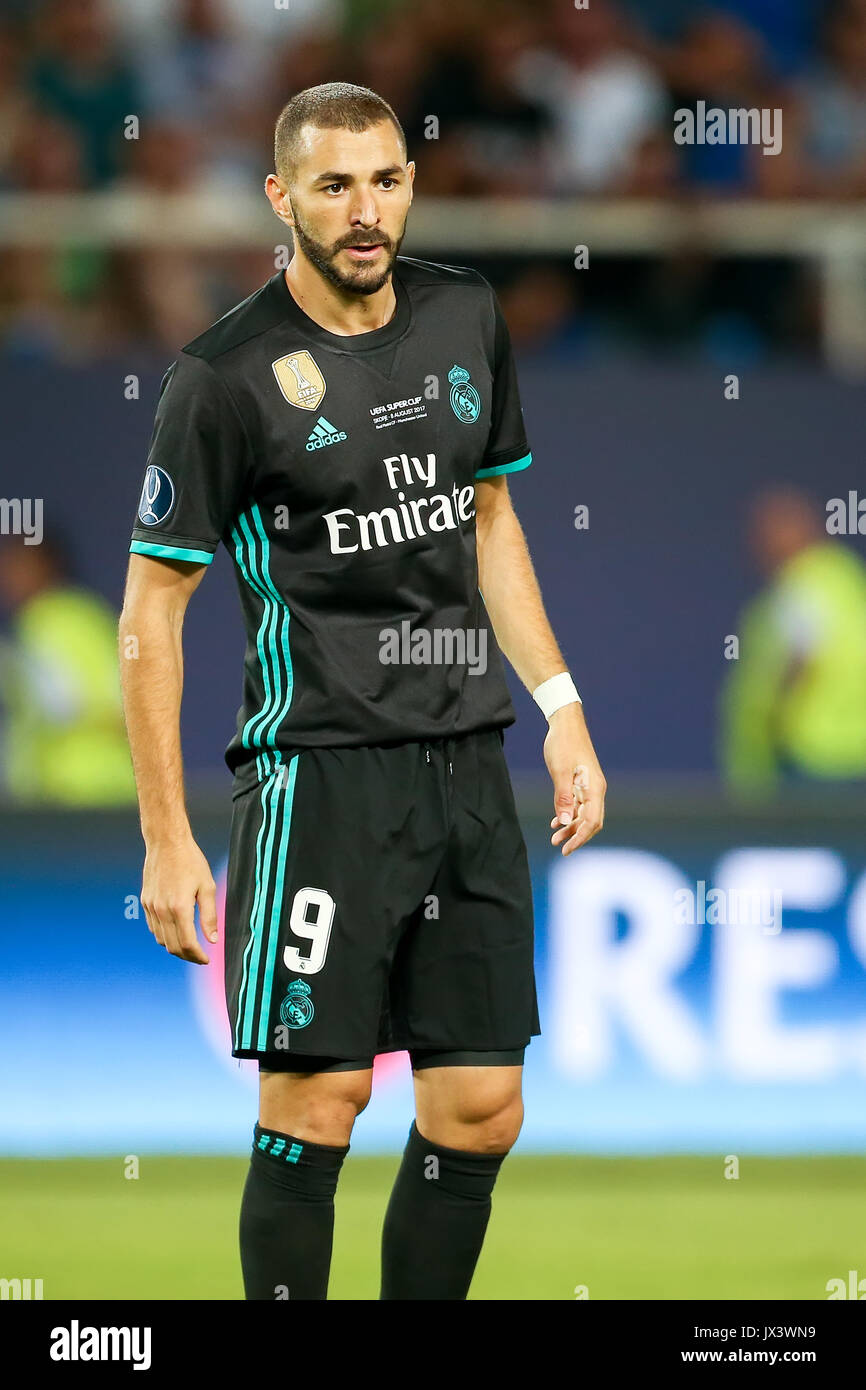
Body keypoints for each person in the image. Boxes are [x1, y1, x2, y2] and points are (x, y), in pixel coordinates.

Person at [119, 82, 606, 1302]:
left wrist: (559, 706)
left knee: (481, 1106)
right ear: (281, 198)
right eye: (333, 184)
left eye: (385, 179)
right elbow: (149, 616)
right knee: (320, 1099)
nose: (364, 209)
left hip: (467, 765)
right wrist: (167, 835)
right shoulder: (221, 379)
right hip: (320, 776)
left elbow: (489, 517)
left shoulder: (462, 314)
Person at [720, 486, 866, 792]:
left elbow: (804, 653)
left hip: (809, 756)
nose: (761, 542)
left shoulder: (804, 581)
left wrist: (776, 720)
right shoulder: (841, 575)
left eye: (773, 530)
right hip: (845, 754)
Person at [0, 529, 136, 804]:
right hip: (71, 793)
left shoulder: (58, 620)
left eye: (17, 563)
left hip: (86, 793)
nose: (7, 575)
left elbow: (115, 704)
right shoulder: (65, 617)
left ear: (45, 565)